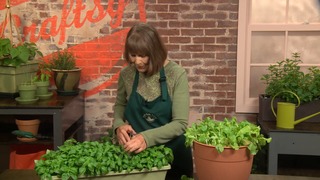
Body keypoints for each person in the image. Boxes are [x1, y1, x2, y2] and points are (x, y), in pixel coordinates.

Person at [112, 22, 193, 180]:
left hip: (173, 155)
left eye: (143, 55)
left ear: (155, 52)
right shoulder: (127, 74)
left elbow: (180, 123)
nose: (137, 61)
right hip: (137, 155)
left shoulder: (176, 75)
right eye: (133, 55)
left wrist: (146, 138)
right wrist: (118, 125)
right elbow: (120, 105)